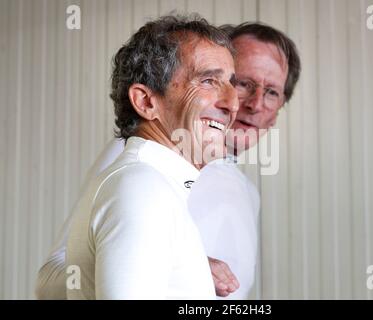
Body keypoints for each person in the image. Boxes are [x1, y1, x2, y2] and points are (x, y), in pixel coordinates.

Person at [35, 21, 300, 299]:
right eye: (242, 84)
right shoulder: (139, 168)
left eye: (272, 92)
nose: (247, 104)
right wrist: (179, 266)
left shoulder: (245, 191)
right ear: (147, 102)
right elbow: (59, 276)